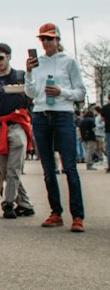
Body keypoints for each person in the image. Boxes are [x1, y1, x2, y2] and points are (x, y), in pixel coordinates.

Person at [25, 22, 87, 231]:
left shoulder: (69, 61)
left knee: (69, 167)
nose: (45, 42)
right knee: (48, 169)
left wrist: (61, 92)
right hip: (41, 114)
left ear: (57, 40)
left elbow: (80, 92)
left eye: (49, 38)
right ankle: (56, 212)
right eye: (42, 39)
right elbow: (31, 93)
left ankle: (77, 216)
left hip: (63, 114)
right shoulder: (38, 62)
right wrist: (28, 73)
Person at [0, 42, 34, 219]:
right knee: (7, 170)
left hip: (17, 124)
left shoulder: (21, 75)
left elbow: (31, 96)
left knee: (13, 169)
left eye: (0, 58)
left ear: (9, 57)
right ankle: (25, 204)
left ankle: (8, 203)